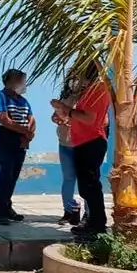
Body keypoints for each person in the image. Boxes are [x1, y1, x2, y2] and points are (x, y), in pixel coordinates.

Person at [51, 65, 111, 236]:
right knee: (86, 186)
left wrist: (67, 110)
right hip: (82, 142)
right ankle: (93, 222)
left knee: (90, 186)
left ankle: (97, 224)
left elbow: (90, 118)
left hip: (91, 141)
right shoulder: (88, 91)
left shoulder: (97, 91)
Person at [0, 69, 35, 225]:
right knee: (5, 175)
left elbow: (31, 119)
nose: (23, 84)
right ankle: (1, 210)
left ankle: (7, 206)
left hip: (20, 144)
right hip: (4, 143)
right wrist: (26, 132)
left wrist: (28, 136)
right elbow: (4, 120)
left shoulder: (23, 101)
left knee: (13, 177)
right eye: (20, 81)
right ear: (9, 81)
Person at [52, 70, 82, 226]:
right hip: (64, 143)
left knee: (86, 181)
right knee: (68, 178)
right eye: (72, 78)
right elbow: (55, 116)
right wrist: (58, 118)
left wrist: (69, 117)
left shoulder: (87, 97)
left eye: (77, 78)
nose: (74, 81)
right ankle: (68, 210)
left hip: (82, 144)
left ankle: (89, 215)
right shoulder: (66, 96)